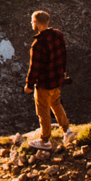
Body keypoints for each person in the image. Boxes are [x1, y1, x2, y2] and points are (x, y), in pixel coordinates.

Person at [23, 8, 70, 144]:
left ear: (37, 24)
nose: (31, 23)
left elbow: (35, 68)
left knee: (43, 110)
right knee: (56, 103)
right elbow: (63, 55)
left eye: (32, 21)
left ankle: (44, 140)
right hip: (57, 79)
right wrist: (63, 72)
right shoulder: (58, 35)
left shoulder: (38, 45)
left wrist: (29, 85)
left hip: (45, 83)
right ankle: (67, 130)